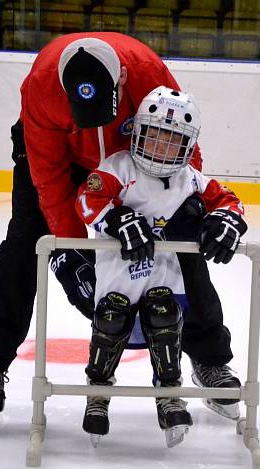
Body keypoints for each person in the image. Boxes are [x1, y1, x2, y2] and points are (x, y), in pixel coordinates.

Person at [0, 33, 241, 430]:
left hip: (134, 159)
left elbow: (180, 143)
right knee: (27, 239)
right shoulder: (42, 86)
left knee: (181, 238)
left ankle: (210, 359)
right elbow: (51, 182)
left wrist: (191, 202)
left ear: (122, 79)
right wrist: (80, 253)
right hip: (63, 158)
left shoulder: (146, 71)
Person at [76, 86, 247, 448]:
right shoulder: (119, 167)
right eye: (154, 135)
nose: (161, 146)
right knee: (110, 323)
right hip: (119, 276)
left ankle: (170, 396)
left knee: (165, 321)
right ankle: (97, 395)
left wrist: (227, 219)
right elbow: (87, 199)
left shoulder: (191, 179)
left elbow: (228, 199)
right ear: (137, 131)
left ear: (187, 145)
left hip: (163, 277)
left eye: (172, 140)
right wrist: (115, 218)